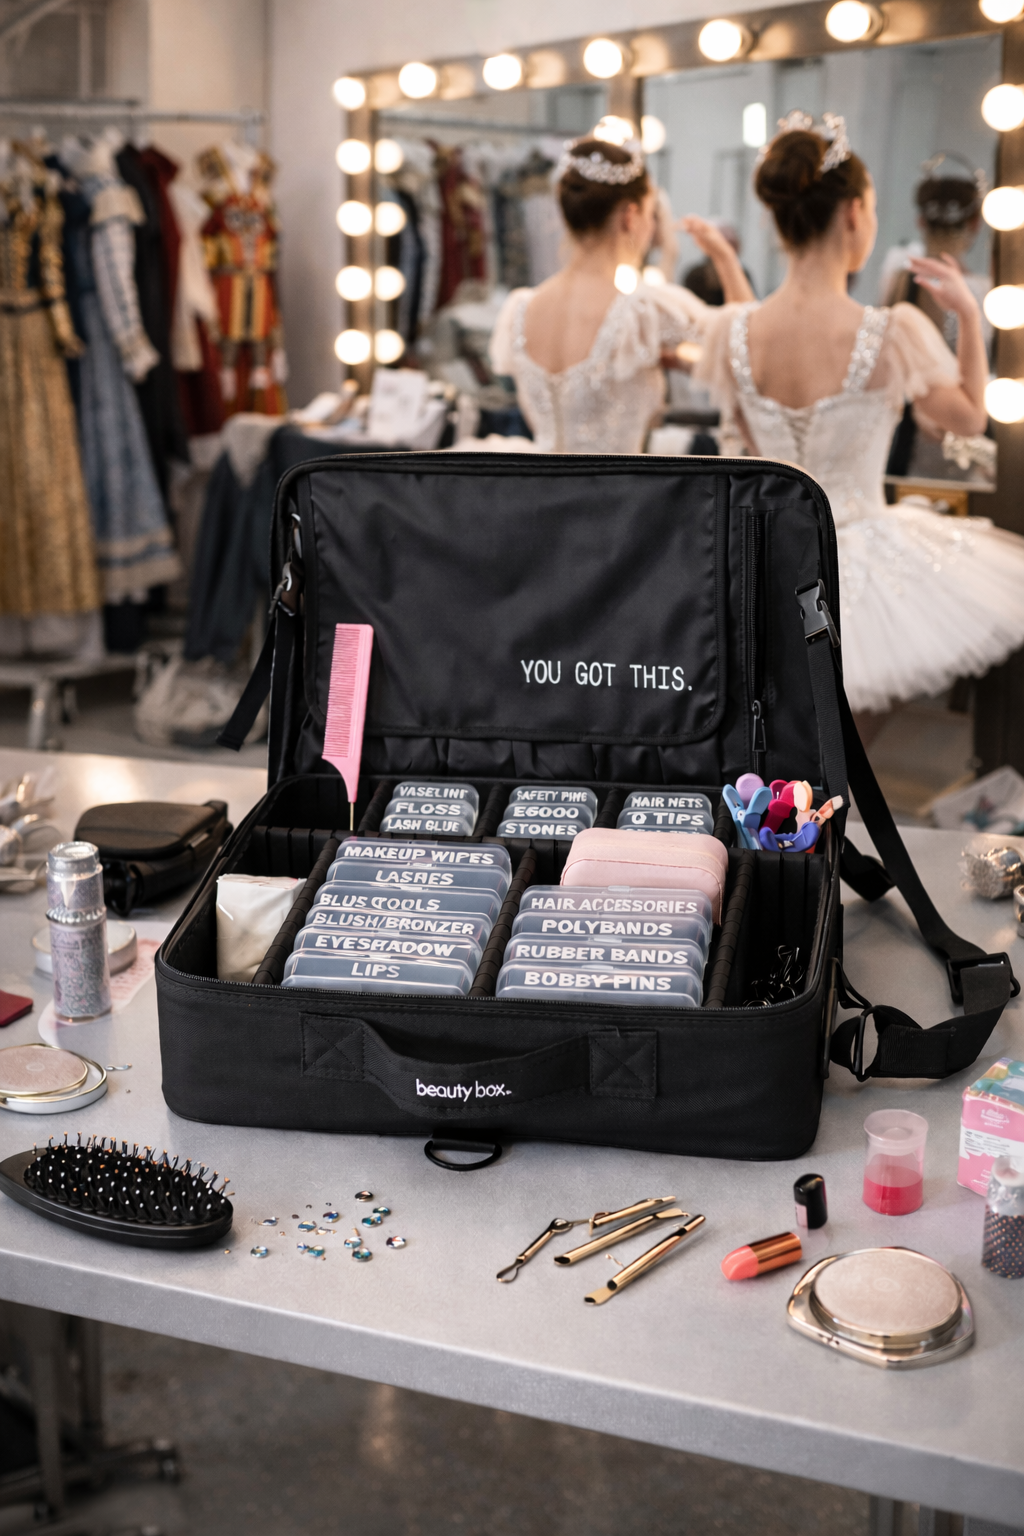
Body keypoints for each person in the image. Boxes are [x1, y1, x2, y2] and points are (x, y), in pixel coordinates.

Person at [697, 111, 1024, 730]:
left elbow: (737, 451)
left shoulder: (731, 333)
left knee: (780, 740)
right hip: (862, 574)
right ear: (853, 214)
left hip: (762, 564)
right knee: (850, 749)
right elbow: (969, 420)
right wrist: (971, 321)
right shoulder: (892, 332)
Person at [489, 137, 753, 454]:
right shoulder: (642, 310)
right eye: (651, 213)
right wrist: (725, 260)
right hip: (619, 498)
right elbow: (749, 349)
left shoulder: (520, 309)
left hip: (541, 497)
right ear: (630, 216)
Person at [884, 153, 994, 484]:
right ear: (976, 223)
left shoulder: (898, 279)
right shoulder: (986, 294)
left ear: (921, 221)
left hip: (910, 435)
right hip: (964, 423)